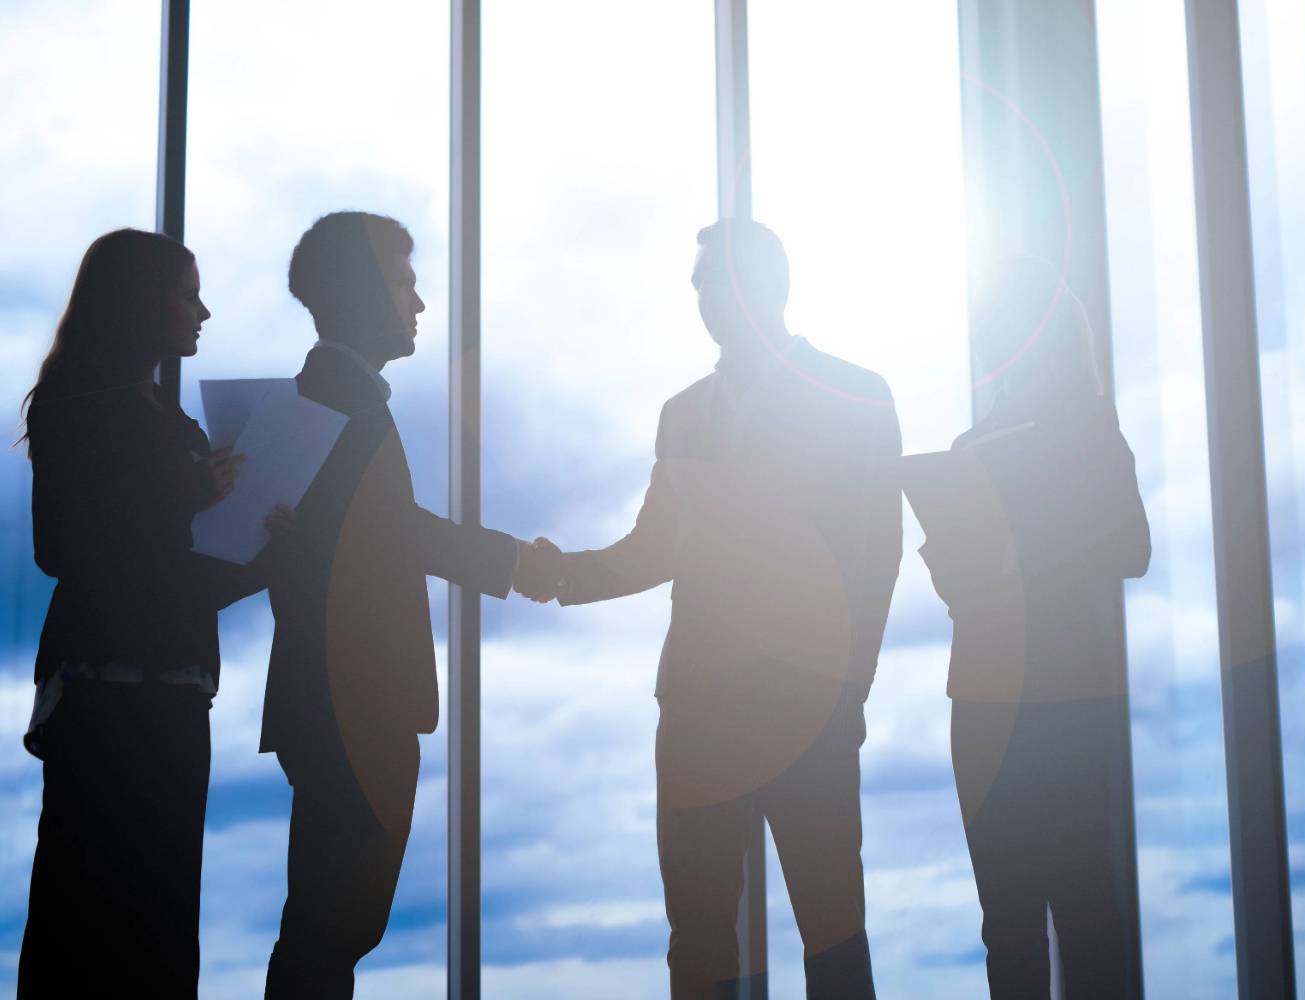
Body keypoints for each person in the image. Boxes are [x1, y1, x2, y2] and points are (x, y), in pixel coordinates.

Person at [517, 220, 903, 999]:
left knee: (833, 935)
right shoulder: (683, 412)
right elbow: (654, 549)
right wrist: (563, 576)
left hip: (807, 702)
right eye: (696, 286)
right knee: (698, 945)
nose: (701, 299)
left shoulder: (854, 394)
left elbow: (878, 554)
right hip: (698, 713)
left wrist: (847, 686)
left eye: (713, 282)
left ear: (768, 284)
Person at [260, 211, 552, 999]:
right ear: (361, 292)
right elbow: (396, 535)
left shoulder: (343, 395)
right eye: (404, 282)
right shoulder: (337, 401)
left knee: (330, 929)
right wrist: (520, 562)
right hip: (350, 703)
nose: (419, 303)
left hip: (342, 701)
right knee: (331, 929)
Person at [17, 229, 288, 998]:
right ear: (143, 301)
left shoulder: (172, 425)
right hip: (109, 700)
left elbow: (176, 576)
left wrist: (268, 558)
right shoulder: (83, 403)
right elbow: (62, 545)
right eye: (187, 292)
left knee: (161, 928)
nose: (203, 311)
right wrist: (191, 497)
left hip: (173, 695)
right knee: (93, 922)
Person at [918, 256, 1151, 997]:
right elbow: (960, 592)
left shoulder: (1092, 439)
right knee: (1008, 922)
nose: (992, 346)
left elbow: (1132, 549)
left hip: (1068, 698)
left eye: (1003, 330)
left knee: (1086, 914)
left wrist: (1028, 548)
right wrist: (950, 557)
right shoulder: (968, 449)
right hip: (986, 696)